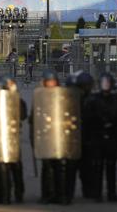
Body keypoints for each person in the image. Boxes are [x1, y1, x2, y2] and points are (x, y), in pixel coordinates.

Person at [30, 70, 81, 205]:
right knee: (47, 168)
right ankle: (47, 195)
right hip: (46, 138)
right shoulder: (40, 97)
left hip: (60, 138)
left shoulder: (63, 96)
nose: (51, 84)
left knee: (60, 168)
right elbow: (33, 119)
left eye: (53, 82)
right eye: (49, 82)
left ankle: (61, 195)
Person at [85, 73, 117, 202]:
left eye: (108, 82)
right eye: (103, 82)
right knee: (97, 167)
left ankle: (111, 193)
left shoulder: (116, 99)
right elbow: (88, 118)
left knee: (111, 166)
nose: (106, 85)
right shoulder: (93, 100)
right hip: (97, 137)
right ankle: (97, 193)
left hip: (111, 137)